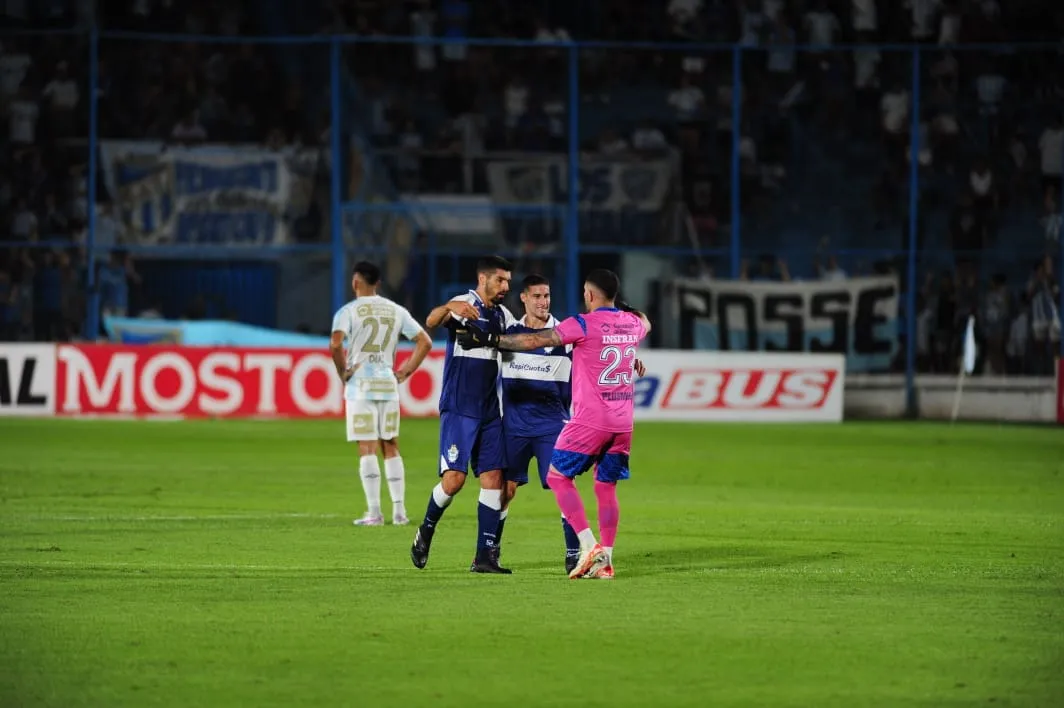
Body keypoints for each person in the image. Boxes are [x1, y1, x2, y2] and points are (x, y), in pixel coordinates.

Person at [458, 269, 650, 580]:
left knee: (558, 477)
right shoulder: (632, 323)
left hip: (590, 419)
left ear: (589, 295)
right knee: (605, 487)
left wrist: (489, 339)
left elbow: (535, 340)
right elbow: (645, 321)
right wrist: (625, 312)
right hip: (624, 422)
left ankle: (587, 547)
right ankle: (606, 560)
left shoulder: (581, 324)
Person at [410, 255, 516, 574]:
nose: (506, 286)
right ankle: (426, 530)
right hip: (460, 408)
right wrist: (448, 309)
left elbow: (515, 348)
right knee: (454, 481)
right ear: (483, 279)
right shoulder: (463, 304)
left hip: (488, 410)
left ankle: (483, 557)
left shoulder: (501, 315)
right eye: (501, 280)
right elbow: (431, 320)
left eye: (509, 281)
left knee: (494, 480)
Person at [330, 261, 433, 527]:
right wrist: (405, 371)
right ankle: (400, 512)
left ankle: (374, 512)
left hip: (360, 386)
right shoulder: (395, 310)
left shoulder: (348, 311)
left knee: (367, 447)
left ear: (355, 282)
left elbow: (335, 343)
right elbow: (425, 341)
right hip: (387, 384)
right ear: (378, 283)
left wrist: (343, 372)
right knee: (391, 444)